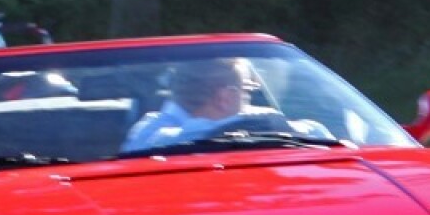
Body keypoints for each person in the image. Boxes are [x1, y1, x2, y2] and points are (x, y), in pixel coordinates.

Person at [121, 57, 333, 153]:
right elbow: (317, 133)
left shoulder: (147, 131)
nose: (248, 101)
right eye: (247, 91)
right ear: (225, 97)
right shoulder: (155, 135)